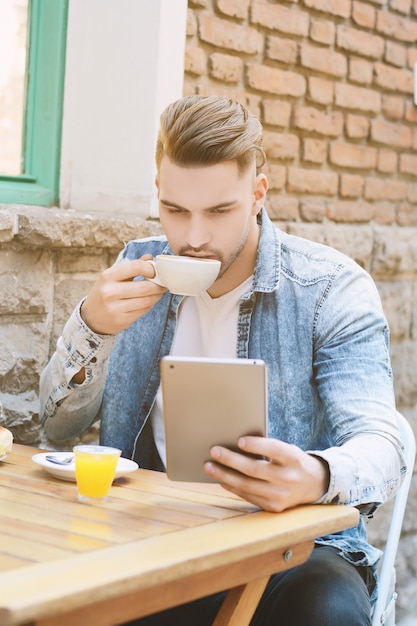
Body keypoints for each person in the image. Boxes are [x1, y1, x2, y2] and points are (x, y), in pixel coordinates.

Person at [40, 94, 405, 626]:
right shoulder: (135, 269)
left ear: (258, 193)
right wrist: (91, 326)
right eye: (175, 211)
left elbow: (384, 445)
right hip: (148, 537)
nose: (193, 238)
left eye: (218, 211)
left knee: (326, 609)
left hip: (291, 552)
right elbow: (56, 427)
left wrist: (315, 473)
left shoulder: (330, 288)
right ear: (158, 192)